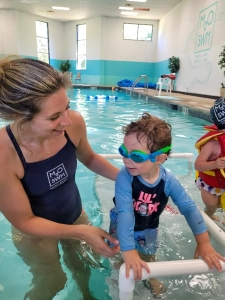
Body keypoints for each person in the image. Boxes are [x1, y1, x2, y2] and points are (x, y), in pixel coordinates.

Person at [0, 56, 120, 300]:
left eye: (67, 106)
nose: (66, 120)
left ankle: (87, 295)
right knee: (53, 282)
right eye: (54, 116)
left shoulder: (72, 123)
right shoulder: (4, 154)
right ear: (20, 116)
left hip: (74, 214)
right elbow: (24, 221)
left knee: (84, 266)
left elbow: (90, 158)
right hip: (35, 234)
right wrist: (83, 233)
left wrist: (128, 179)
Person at [109, 112, 225, 297]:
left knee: (149, 257)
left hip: (149, 228)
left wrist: (203, 242)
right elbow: (125, 212)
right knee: (119, 257)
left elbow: (188, 208)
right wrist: (128, 251)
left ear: (160, 159)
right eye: (124, 152)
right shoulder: (125, 177)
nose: (126, 160)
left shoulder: (168, 181)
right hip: (120, 225)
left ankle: (150, 278)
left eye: (137, 156)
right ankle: (119, 273)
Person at [195, 98, 225, 223]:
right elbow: (198, 164)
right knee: (211, 207)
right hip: (210, 186)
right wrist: (215, 163)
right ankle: (209, 216)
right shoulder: (213, 143)